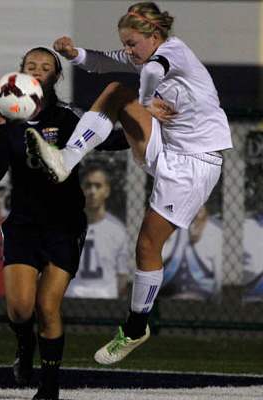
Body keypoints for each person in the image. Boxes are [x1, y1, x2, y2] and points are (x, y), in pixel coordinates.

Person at [26, 2, 232, 365]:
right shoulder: (145, 50)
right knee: (116, 90)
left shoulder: (173, 52)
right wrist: (75, 54)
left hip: (195, 164)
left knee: (147, 245)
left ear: (155, 35)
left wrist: (148, 100)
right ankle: (66, 160)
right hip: (168, 145)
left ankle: (136, 327)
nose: (128, 50)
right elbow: (103, 61)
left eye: (132, 43)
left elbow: (152, 70)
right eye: (126, 43)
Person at [0, 46, 126, 400]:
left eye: (46, 66)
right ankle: (24, 346)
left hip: (63, 224)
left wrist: (149, 126)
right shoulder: (8, 115)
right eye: (31, 65)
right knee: (20, 309)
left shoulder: (66, 116)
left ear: (56, 76)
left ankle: (49, 388)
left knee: (47, 307)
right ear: (20, 72)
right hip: (24, 224)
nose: (38, 70)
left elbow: (109, 138)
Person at [66, 164, 129, 299]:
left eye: (98, 186)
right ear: (81, 190)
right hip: (72, 296)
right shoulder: (66, 227)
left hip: (106, 298)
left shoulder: (118, 230)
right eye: (88, 185)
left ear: (107, 190)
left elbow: (122, 275)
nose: (92, 191)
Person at [159, 205, 223, 300]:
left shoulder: (214, 232)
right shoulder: (168, 229)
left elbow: (219, 278)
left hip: (203, 300)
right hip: (167, 297)